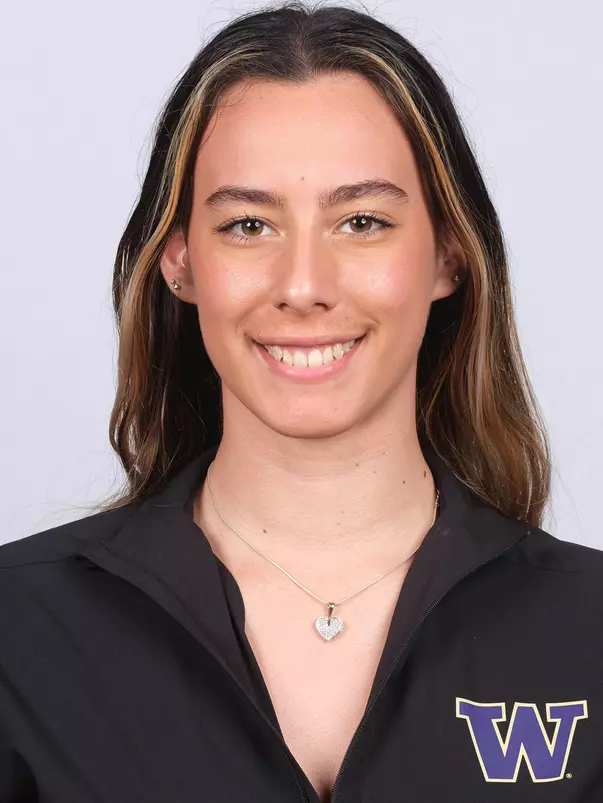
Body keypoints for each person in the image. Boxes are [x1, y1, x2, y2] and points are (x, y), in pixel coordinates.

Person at [2, 1, 602, 801]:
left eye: (361, 221)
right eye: (248, 225)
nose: (303, 286)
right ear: (180, 262)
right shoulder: (21, 631)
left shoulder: (587, 630)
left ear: (446, 256)